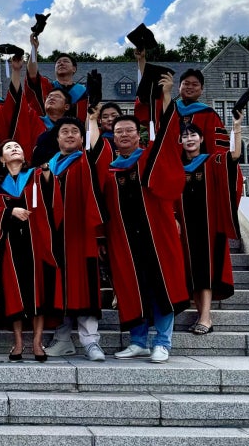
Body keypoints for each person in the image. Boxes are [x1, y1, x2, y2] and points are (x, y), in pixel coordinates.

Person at [92, 72, 189, 364]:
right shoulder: (110, 169)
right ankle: (138, 341)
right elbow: (100, 205)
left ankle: (163, 342)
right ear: (113, 136)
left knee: (162, 286)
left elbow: (169, 137)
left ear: (139, 135)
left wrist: (167, 95)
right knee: (132, 288)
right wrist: (101, 238)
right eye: (118, 131)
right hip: (123, 240)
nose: (123, 135)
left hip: (157, 237)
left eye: (129, 131)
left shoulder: (149, 159)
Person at [0, 140, 62, 361]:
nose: (14, 149)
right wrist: (9, 212)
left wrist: (46, 170)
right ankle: (18, 342)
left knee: (38, 291)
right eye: (9, 148)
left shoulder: (36, 176)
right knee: (13, 293)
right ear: (2, 159)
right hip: (9, 245)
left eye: (18, 146)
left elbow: (52, 194)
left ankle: (37, 342)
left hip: (37, 242)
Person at [44, 114, 105, 361]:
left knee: (84, 287)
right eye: (64, 131)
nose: (69, 135)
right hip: (54, 238)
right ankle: (62, 339)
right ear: (57, 138)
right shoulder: (46, 167)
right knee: (59, 287)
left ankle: (91, 342)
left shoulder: (85, 162)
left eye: (74, 132)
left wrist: (92, 121)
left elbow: (98, 152)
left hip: (80, 237)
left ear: (82, 138)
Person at [177, 115, 243, 334]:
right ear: (180, 141)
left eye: (193, 135)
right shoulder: (176, 167)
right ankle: (200, 315)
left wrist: (236, 127)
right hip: (185, 227)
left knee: (204, 270)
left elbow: (234, 155)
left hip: (208, 226)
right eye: (185, 135)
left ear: (201, 138)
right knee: (192, 271)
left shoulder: (212, 161)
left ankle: (206, 318)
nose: (189, 139)